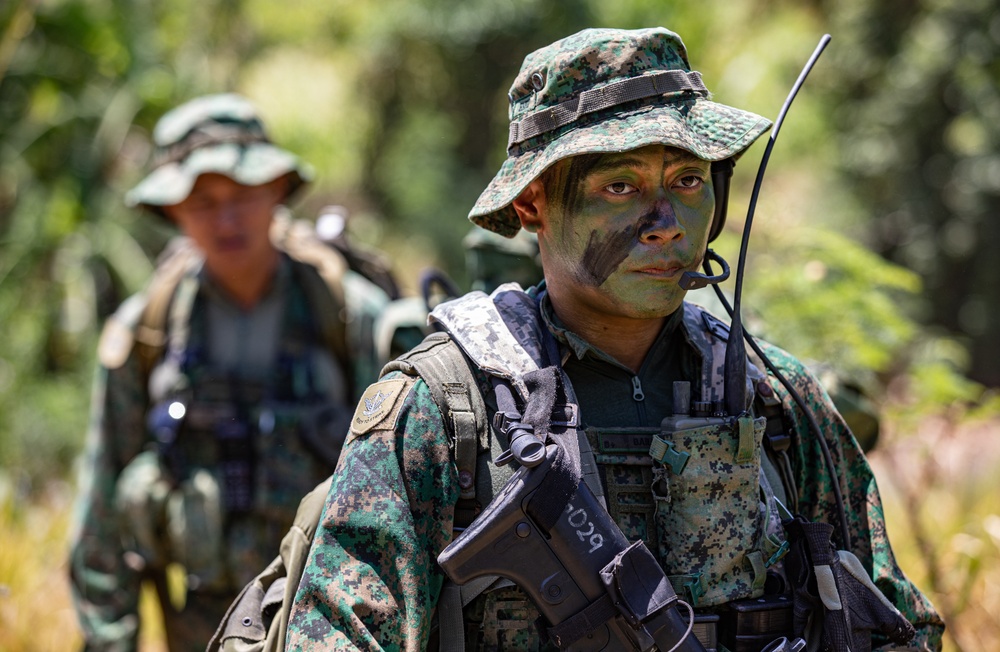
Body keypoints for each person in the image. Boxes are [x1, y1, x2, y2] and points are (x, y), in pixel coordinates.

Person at [260, 28, 945, 651]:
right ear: (532, 205)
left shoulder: (775, 398)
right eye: (620, 185)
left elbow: (893, 622)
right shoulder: (439, 410)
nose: (665, 222)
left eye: (687, 181)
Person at [68, 93, 398, 651]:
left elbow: (410, 490)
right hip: (199, 625)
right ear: (172, 211)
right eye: (202, 201)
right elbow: (101, 513)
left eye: (241, 194)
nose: (225, 219)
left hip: (329, 621)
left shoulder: (351, 315)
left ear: (275, 190)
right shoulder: (146, 332)